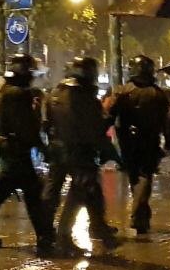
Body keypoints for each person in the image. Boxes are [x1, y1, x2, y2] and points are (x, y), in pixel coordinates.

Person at [0, 54, 52, 254]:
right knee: (29, 193)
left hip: (13, 150)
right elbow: (25, 127)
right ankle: (44, 235)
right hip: (17, 151)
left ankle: (44, 234)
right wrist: (42, 147)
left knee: (5, 192)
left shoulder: (9, 91)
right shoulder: (17, 94)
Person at [45, 56, 119, 255]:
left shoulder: (55, 94)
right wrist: (109, 118)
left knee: (63, 192)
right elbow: (93, 130)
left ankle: (47, 233)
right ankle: (64, 236)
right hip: (80, 153)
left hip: (58, 150)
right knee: (80, 193)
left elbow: (47, 122)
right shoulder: (85, 98)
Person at [106, 55, 170, 238]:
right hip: (149, 141)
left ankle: (142, 215)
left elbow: (109, 115)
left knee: (135, 176)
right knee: (144, 177)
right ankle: (138, 216)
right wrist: (169, 139)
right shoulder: (157, 93)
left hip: (127, 141)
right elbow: (166, 120)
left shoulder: (122, 91)